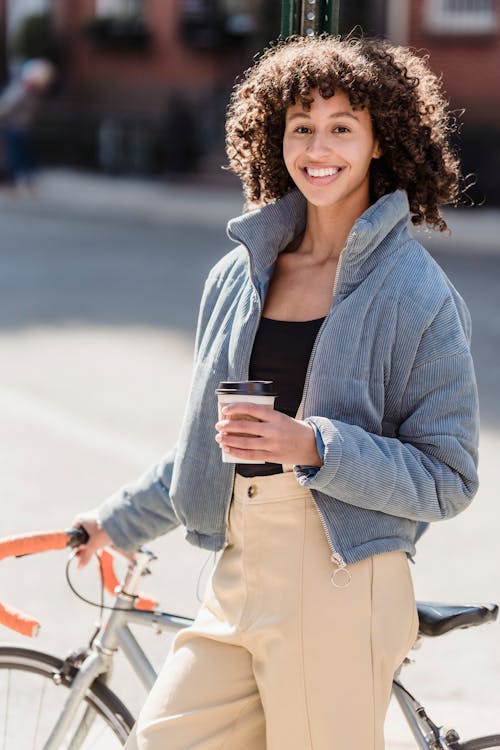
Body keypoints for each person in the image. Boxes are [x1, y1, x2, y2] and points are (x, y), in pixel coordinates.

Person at [74, 34, 479, 750]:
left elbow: (449, 477)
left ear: (381, 142)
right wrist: (115, 520)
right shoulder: (239, 276)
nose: (318, 148)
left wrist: (316, 445)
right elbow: (210, 445)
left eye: (342, 128)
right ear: (275, 138)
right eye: (302, 128)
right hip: (238, 571)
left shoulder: (416, 293)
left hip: (341, 579)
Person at [0, 58, 55, 189]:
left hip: (19, 127)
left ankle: (20, 177)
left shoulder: (31, 94)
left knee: (18, 152)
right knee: (15, 153)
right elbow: (7, 106)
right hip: (13, 126)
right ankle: (15, 178)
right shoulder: (21, 91)